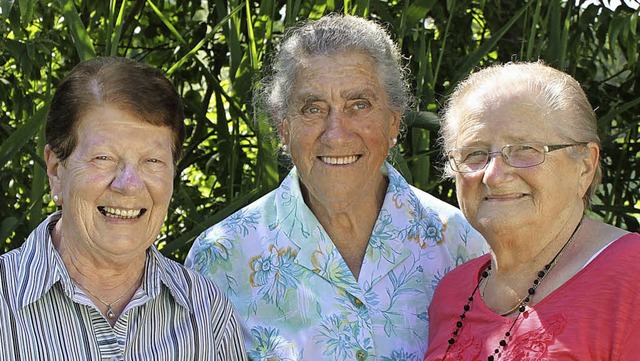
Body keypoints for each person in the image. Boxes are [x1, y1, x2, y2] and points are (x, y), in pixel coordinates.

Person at [185, 14, 486, 361]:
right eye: (313, 109)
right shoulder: (221, 257)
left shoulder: (462, 244)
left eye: (359, 105)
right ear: (284, 130)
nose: (336, 133)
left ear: (393, 121)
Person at [0, 57, 247, 360]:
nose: (129, 184)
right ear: (55, 171)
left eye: (152, 161)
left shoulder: (206, 312)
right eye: (102, 158)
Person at [424, 62, 640, 360]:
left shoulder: (632, 276)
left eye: (525, 149)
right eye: (475, 153)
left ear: (585, 167)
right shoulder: (452, 293)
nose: (493, 175)